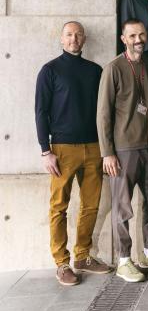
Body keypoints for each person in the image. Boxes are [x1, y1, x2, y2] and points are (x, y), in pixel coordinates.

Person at [97, 19, 148, 283]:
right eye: (132, 35)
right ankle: (124, 260)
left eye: (142, 34)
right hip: (124, 149)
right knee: (122, 207)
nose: (138, 39)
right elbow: (103, 114)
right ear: (123, 39)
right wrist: (107, 152)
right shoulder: (113, 68)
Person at [35, 21, 112, 286]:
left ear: (85, 39)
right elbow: (40, 112)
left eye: (78, 34)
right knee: (59, 207)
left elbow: (104, 111)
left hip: (94, 147)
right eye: (69, 34)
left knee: (91, 206)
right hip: (62, 150)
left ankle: (82, 256)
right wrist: (45, 150)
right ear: (61, 39)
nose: (74, 39)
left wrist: (106, 147)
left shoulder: (95, 71)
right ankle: (62, 263)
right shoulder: (50, 70)